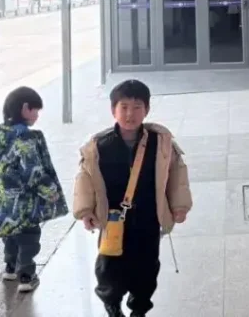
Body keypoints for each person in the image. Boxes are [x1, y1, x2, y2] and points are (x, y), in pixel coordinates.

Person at [73, 80, 192, 317]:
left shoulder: (160, 142)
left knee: (147, 265)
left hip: (148, 216)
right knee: (109, 265)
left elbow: (176, 173)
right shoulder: (99, 145)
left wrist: (179, 206)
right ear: (113, 110)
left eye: (137, 107)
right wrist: (86, 211)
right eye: (124, 107)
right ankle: (112, 303)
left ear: (146, 110)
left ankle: (139, 307)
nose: (130, 114)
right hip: (113, 218)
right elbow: (85, 178)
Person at [0, 86, 68, 294]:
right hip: (25, 204)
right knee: (29, 238)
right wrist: (51, 191)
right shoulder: (25, 138)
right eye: (36, 110)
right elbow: (33, 172)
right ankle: (26, 276)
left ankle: (10, 268)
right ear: (25, 108)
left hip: (3, 203)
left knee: (9, 235)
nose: (37, 116)